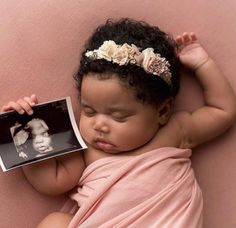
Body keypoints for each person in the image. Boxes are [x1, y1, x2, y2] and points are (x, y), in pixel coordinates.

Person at [1, 18, 236, 227]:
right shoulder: (85, 145)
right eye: (89, 111)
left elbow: (222, 110)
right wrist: (24, 127)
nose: (99, 126)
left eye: (118, 116)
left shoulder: (177, 131)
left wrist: (203, 65)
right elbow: (52, 182)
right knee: (55, 223)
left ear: (162, 111)